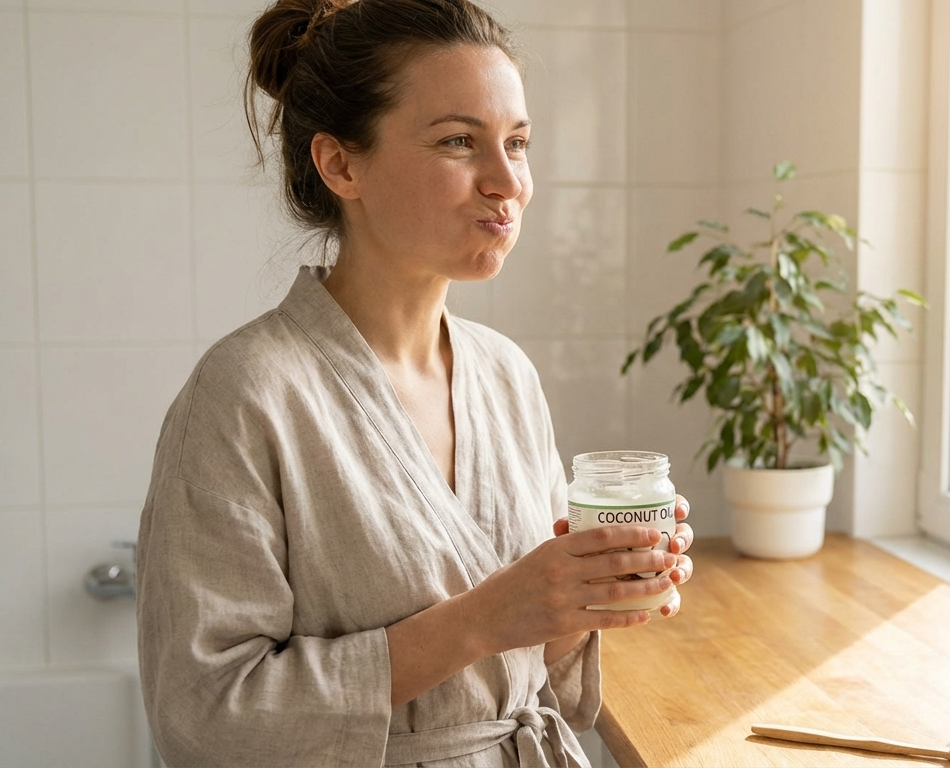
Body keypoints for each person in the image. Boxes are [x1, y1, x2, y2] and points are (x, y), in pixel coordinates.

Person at [134, 0, 695, 765]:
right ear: (341, 164)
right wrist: (481, 620)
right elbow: (202, 719)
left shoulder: (505, 375)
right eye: (460, 141)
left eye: (519, 143)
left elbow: (544, 688)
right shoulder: (245, 396)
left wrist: (587, 594)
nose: (507, 183)